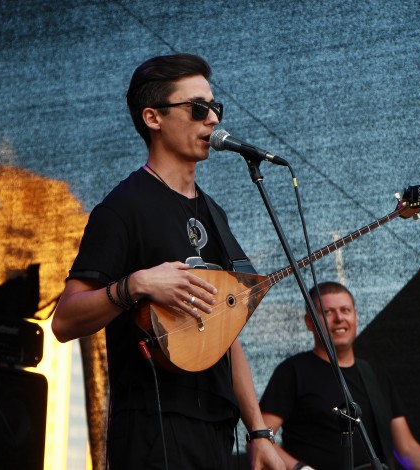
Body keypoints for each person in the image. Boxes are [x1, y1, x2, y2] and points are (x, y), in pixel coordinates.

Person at [51, 53, 284, 470]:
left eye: (215, 107)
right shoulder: (123, 208)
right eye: (198, 108)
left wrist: (259, 431)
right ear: (153, 117)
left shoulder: (214, 212)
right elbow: (64, 321)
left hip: (215, 429)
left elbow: (226, 327)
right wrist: (135, 285)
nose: (213, 119)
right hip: (151, 429)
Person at [260, 282, 420, 470]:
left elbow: (407, 448)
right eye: (328, 312)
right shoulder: (293, 371)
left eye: (345, 310)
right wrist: (301, 468)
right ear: (309, 322)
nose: (339, 318)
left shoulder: (374, 374)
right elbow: (261, 438)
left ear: (356, 317)